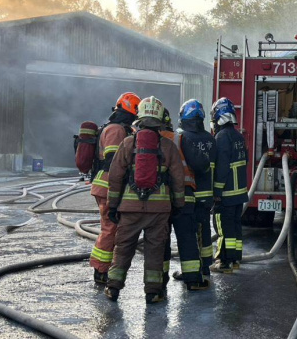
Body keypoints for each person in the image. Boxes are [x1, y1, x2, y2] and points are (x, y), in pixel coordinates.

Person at [104, 96, 185, 304]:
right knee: (155, 252)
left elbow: (114, 177)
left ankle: (113, 288)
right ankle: (152, 292)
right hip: (159, 212)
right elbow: (177, 180)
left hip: (129, 210)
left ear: (139, 118)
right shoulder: (168, 147)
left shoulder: (127, 144)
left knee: (122, 249)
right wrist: (177, 205)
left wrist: (113, 206)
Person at [89, 92, 140, 285]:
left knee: (114, 228)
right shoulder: (116, 130)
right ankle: (100, 271)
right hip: (107, 186)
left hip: (111, 185)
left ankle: (104, 268)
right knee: (110, 228)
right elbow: (114, 162)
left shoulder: (123, 129)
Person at [159, 108, 209, 291]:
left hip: (158, 199)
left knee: (160, 239)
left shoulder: (140, 139)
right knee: (187, 237)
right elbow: (200, 164)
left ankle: (159, 280)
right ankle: (193, 280)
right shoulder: (179, 138)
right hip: (185, 196)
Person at [172, 99, 217, 279]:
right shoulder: (210, 138)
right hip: (208, 194)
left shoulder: (184, 138)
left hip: (191, 194)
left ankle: (192, 270)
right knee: (204, 231)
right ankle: (206, 266)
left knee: (190, 233)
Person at [209, 97, 248, 273]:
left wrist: (216, 191)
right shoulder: (238, 136)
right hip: (239, 194)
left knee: (223, 228)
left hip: (226, 194)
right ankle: (235, 260)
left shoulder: (221, 137)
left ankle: (223, 263)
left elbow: (222, 167)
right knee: (235, 227)